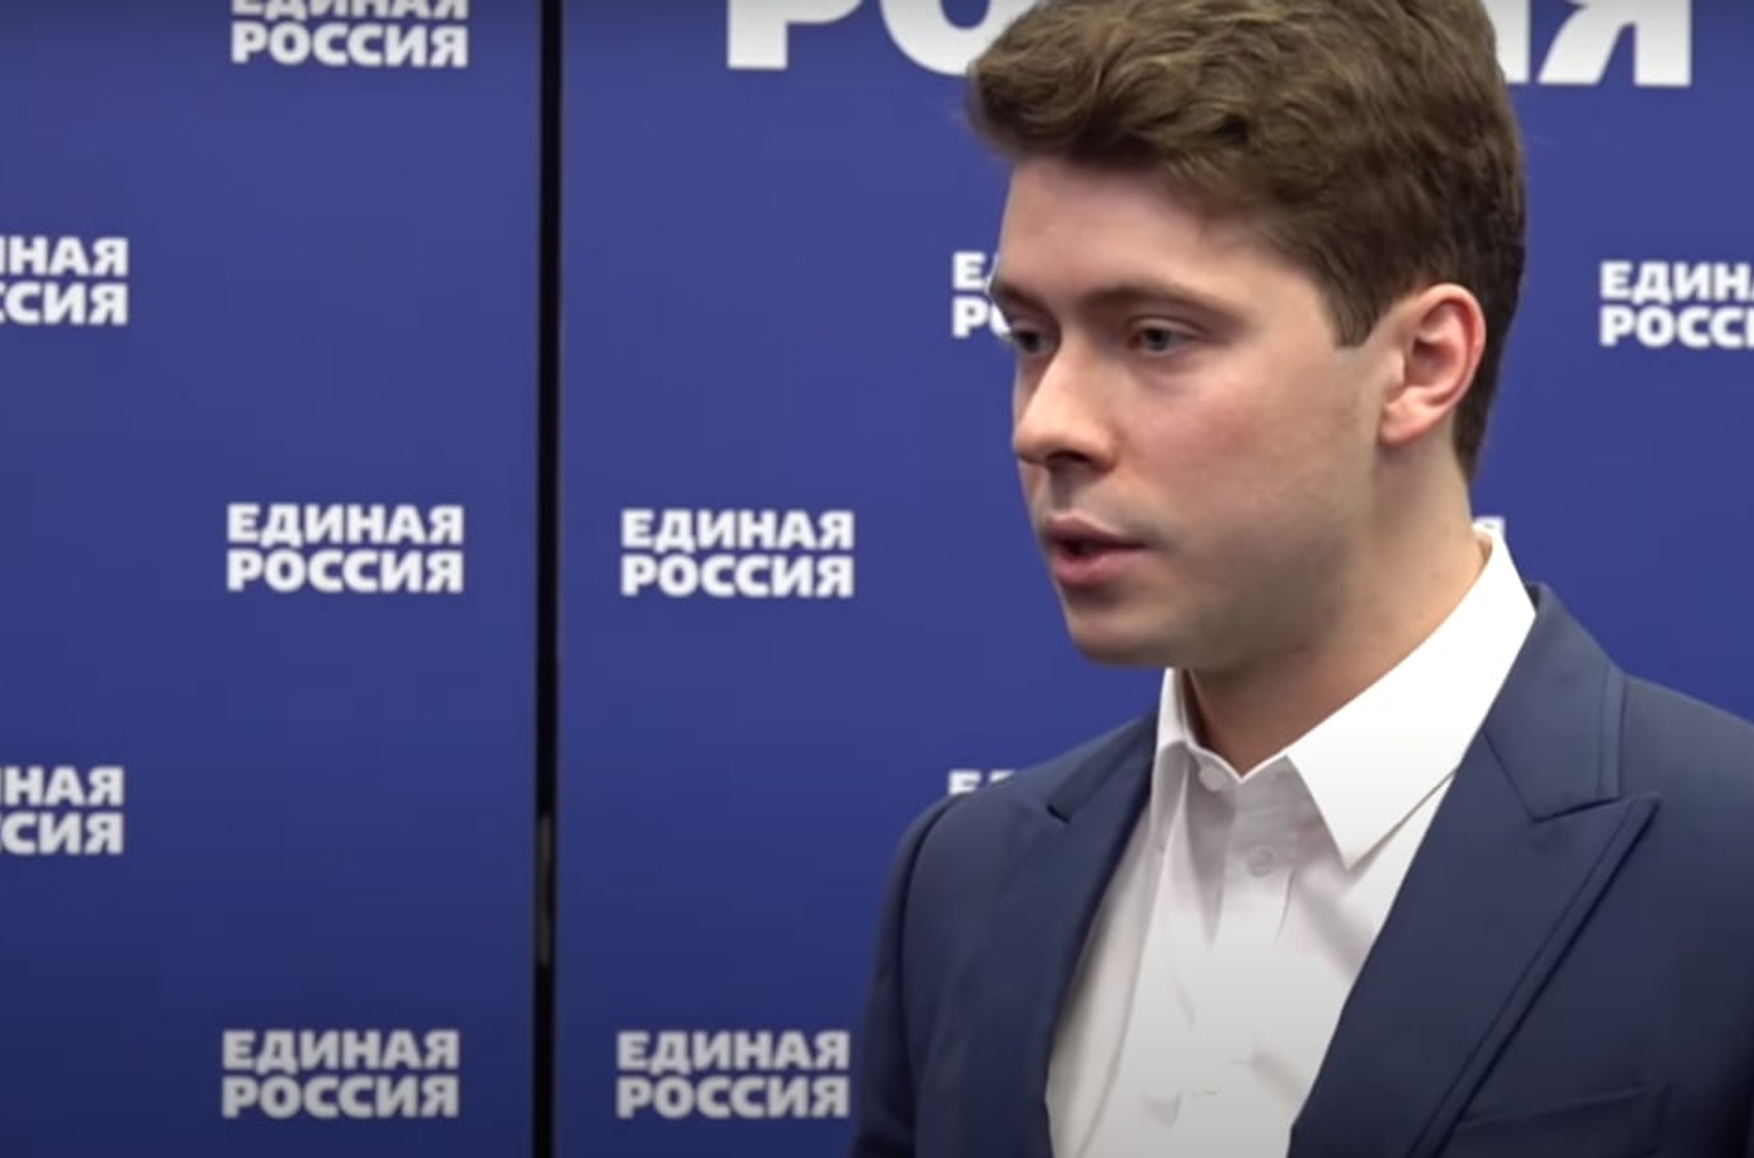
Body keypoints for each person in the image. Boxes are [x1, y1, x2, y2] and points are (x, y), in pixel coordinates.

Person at [845, 1, 1754, 1155]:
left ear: (1419, 363)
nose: (1046, 424)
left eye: (1155, 336)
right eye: (1030, 338)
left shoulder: (1726, 871)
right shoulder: (958, 883)